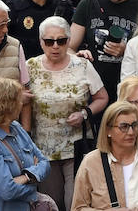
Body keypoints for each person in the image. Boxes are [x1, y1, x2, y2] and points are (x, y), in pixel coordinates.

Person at [26, 14, 107, 207]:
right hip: (43, 149)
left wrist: (84, 114)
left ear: (69, 41)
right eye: (49, 41)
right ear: (41, 42)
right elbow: (23, 103)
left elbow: (102, 97)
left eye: (61, 41)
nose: (55, 46)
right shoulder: (30, 67)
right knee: (51, 203)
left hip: (77, 146)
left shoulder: (83, 65)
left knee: (75, 201)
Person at [71, 100, 138, 211]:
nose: (131, 132)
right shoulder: (91, 162)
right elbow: (78, 208)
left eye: (134, 125)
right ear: (108, 130)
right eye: (124, 126)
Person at [0, 78, 50, 211]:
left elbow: (45, 163)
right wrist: (34, 184)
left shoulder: (16, 127)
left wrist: (26, 177)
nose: (21, 104)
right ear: (7, 105)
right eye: (18, 100)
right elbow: (7, 191)